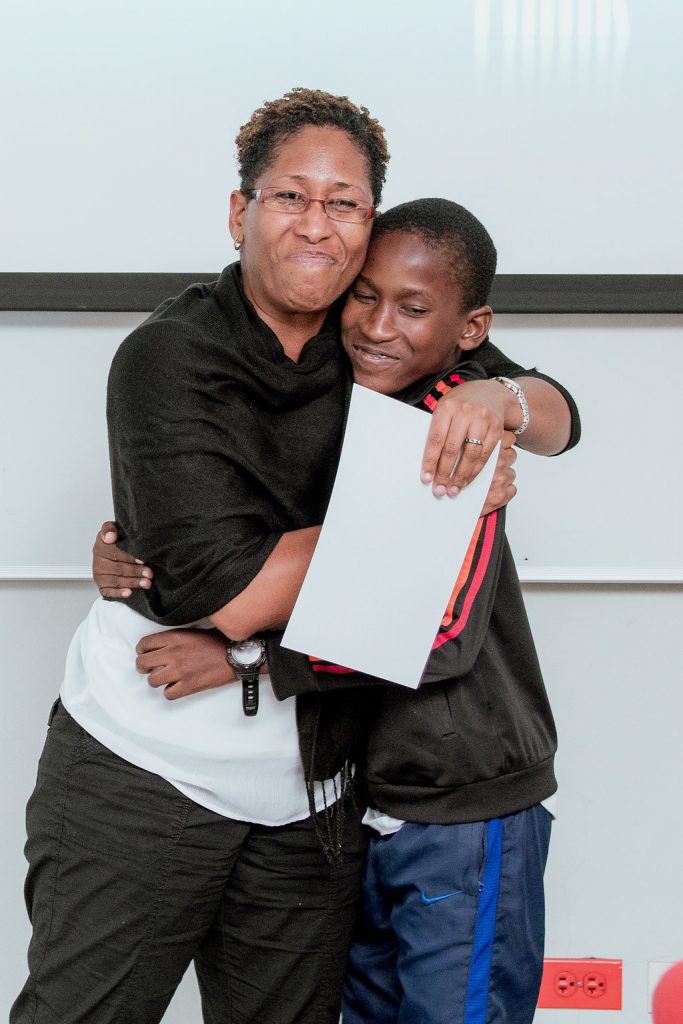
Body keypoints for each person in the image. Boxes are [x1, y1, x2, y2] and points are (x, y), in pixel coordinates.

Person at [13, 86, 576, 1024]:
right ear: (240, 212)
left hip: (314, 802)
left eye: (343, 203)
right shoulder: (169, 356)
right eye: (289, 196)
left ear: (369, 223)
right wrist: (425, 507)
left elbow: (555, 415)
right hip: (146, 772)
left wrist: (503, 401)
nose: (317, 224)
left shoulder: (380, 336)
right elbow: (227, 594)